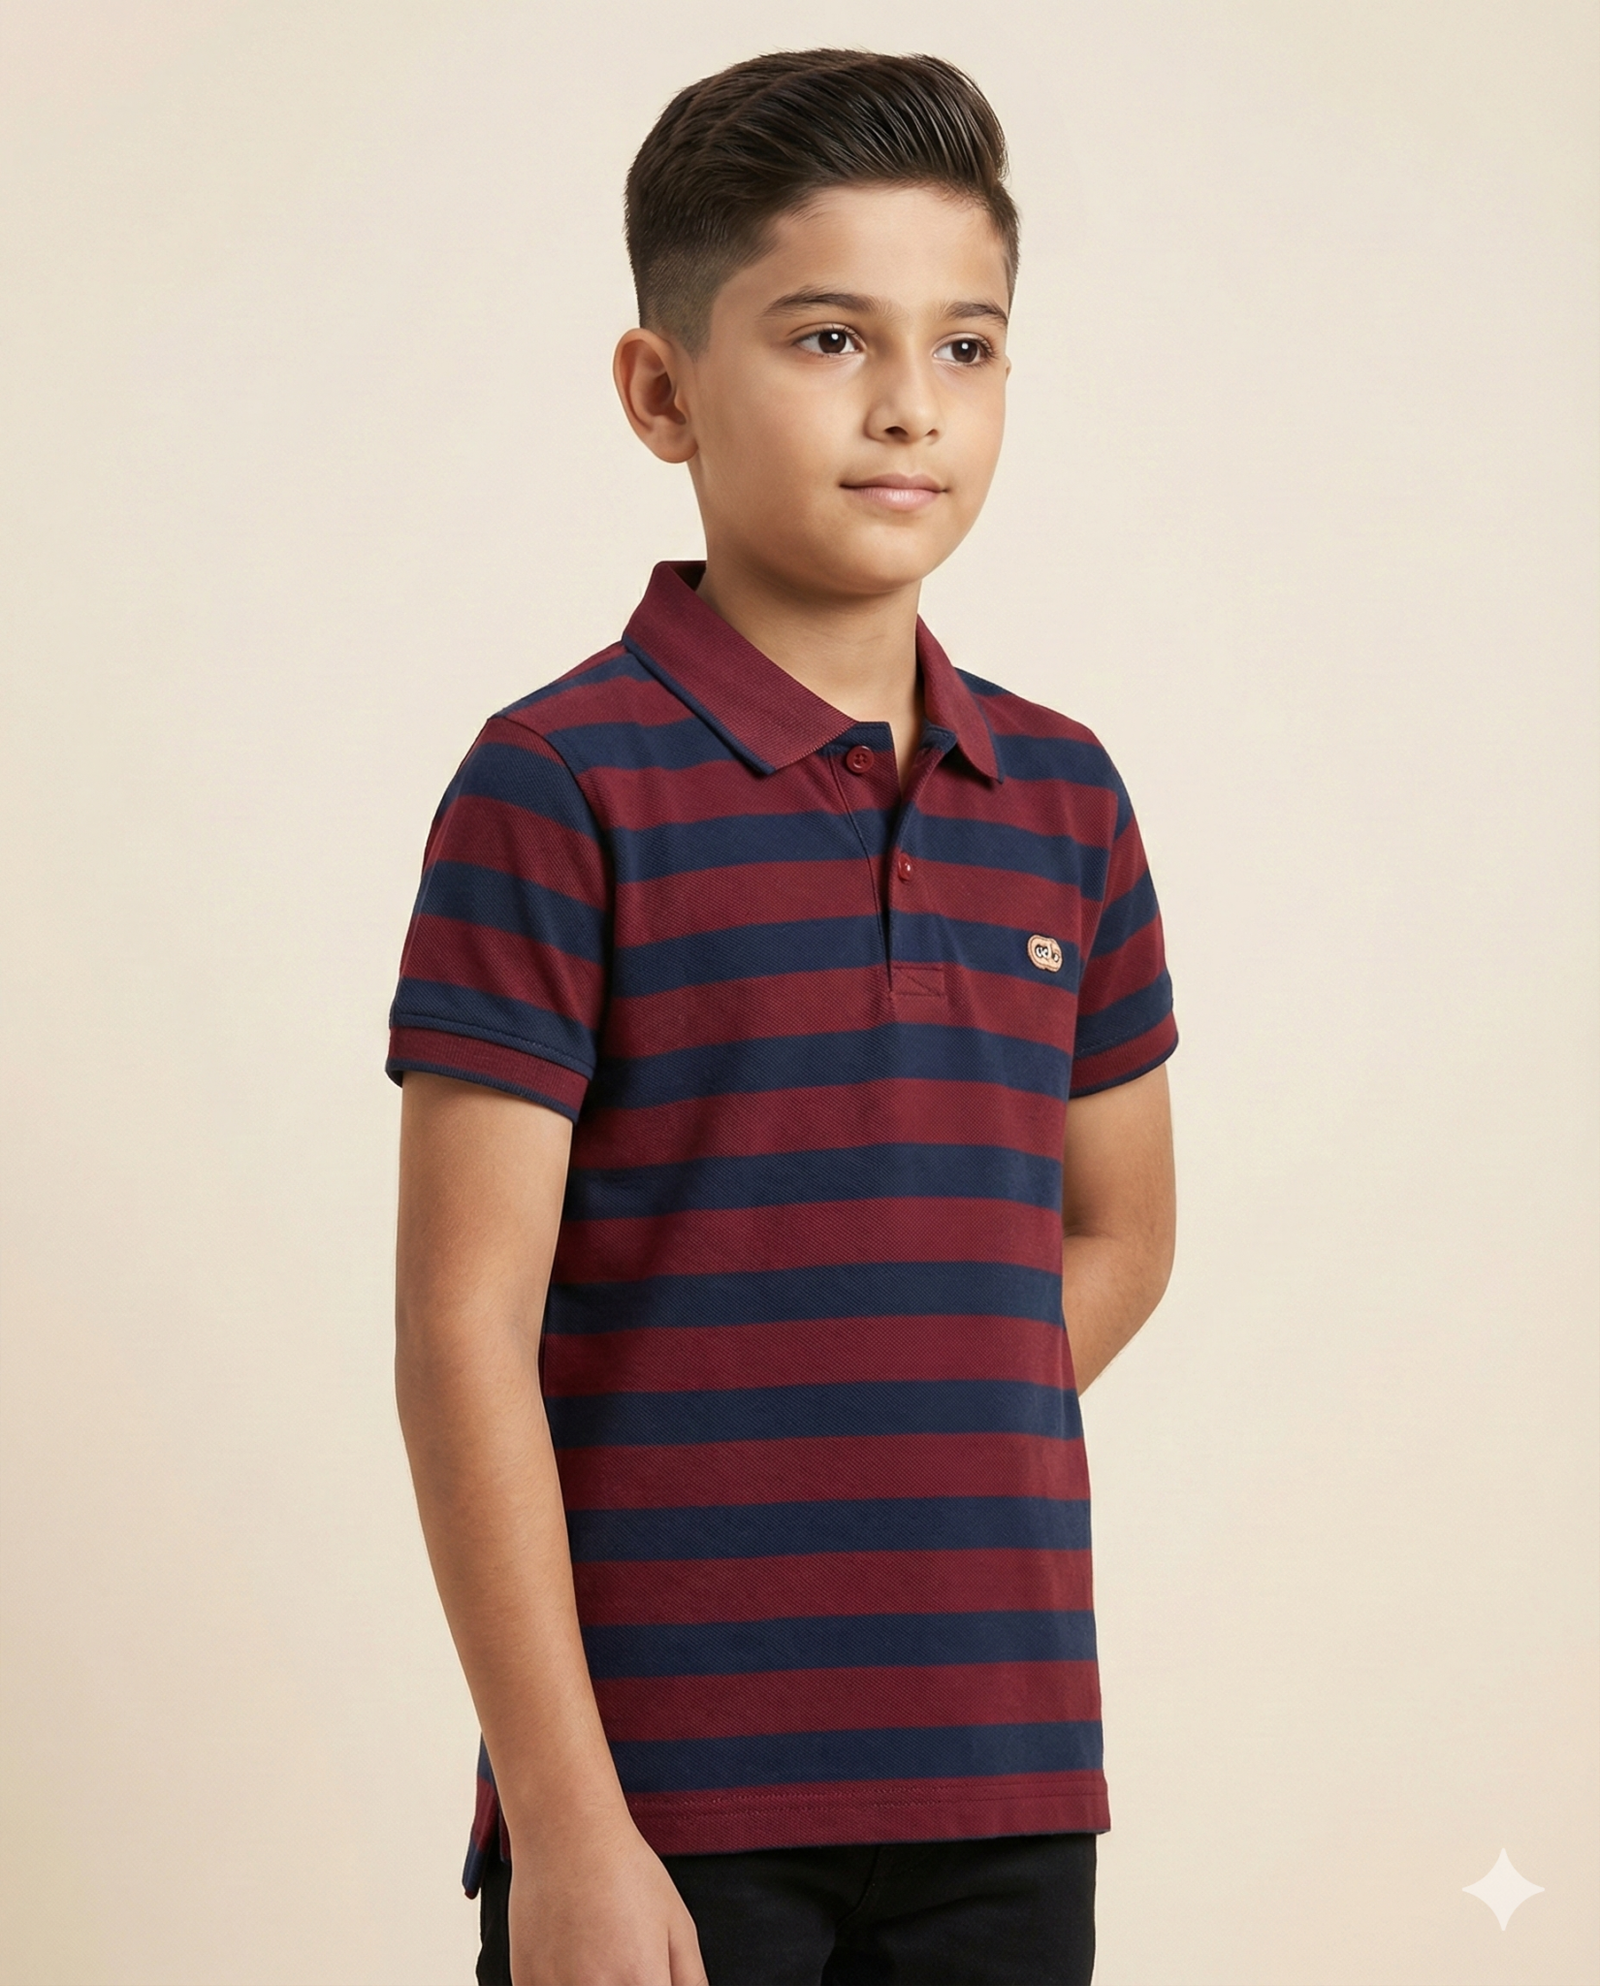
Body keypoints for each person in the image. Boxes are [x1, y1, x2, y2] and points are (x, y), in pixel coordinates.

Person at [389, 48, 1177, 1986]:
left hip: (1004, 1781)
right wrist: (567, 1824)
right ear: (661, 392)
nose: (911, 403)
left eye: (965, 346)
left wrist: (900, 1420)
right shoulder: (557, 786)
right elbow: (460, 1327)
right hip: (661, 1796)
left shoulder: (1065, 799)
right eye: (831, 339)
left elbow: (1120, 1229)